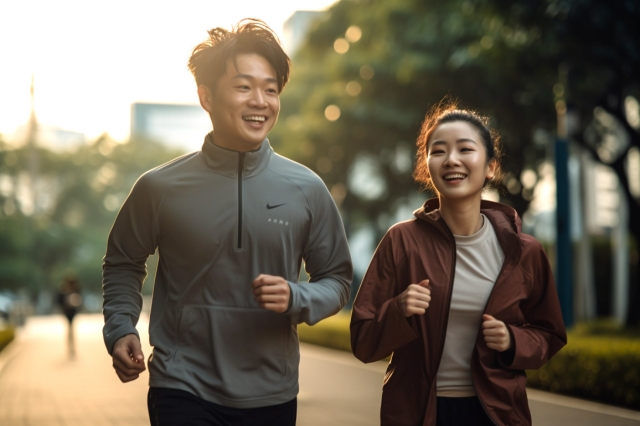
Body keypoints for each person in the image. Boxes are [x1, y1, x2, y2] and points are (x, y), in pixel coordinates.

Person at [102, 19, 352, 426]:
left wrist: (297, 297)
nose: (260, 101)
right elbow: (123, 262)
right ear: (206, 96)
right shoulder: (159, 186)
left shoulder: (307, 188)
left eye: (270, 89)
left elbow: (337, 280)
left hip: (272, 392)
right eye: (244, 87)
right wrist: (120, 326)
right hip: (181, 385)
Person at [350, 104, 567, 426]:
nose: (451, 159)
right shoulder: (402, 241)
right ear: (427, 167)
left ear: (491, 167)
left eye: (465, 149)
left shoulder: (523, 252)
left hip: (496, 413)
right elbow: (363, 341)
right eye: (438, 151)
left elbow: (550, 334)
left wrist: (512, 340)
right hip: (418, 412)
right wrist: (398, 309)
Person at [57, 276, 82, 358]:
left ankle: (72, 348)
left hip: (73, 313)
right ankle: (70, 348)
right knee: (70, 330)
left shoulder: (76, 290)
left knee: (71, 330)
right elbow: (60, 301)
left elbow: (79, 301)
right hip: (67, 313)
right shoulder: (64, 291)